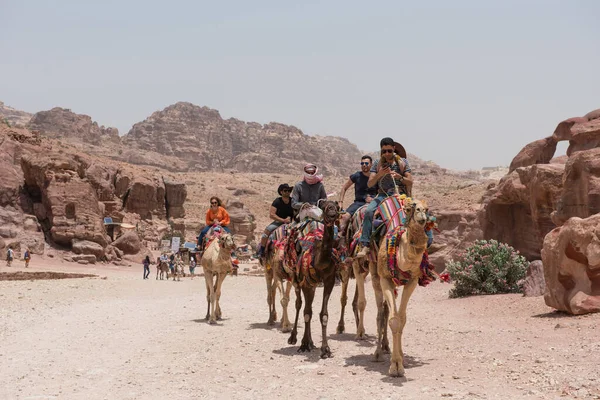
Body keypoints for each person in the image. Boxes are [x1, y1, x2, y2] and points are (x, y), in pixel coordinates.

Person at [356, 137, 413, 258]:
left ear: (393, 149)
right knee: (369, 211)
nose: (387, 154)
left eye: (389, 151)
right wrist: (380, 174)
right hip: (382, 195)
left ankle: (426, 242)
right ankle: (365, 244)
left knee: (420, 211)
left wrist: (399, 177)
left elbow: (410, 181)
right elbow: (370, 183)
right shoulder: (377, 163)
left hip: (400, 194)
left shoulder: (402, 163)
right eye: (384, 151)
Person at [338, 155, 377, 240]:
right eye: (362, 163)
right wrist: (340, 202)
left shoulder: (376, 177)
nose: (364, 165)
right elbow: (344, 188)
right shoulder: (357, 176)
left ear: (371, 164)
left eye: (366, 163)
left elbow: (381, 191)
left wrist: (374, 199)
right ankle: (340, 239)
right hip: (358, 203)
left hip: (373, 203)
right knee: (345, 217)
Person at [257, 183, 294, 257]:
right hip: (278, 222)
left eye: (289, 190)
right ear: (281, 192)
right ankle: (261, 250)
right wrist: (283, 220)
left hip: (291, 222)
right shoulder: (277, 201)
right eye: (285, 190)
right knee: (267, 231)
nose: (287, 192)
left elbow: (296, 212)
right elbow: (272, 215)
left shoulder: (293, 201)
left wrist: (291, 219)